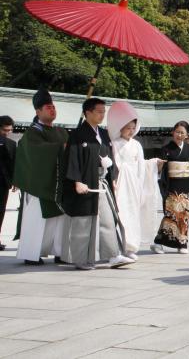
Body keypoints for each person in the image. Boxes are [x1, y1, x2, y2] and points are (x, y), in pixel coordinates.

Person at [59, 98, 134, 270]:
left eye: (103, 111)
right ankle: (81, 259)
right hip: (86, 182)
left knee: (107, 219)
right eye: (99, 111)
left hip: (102, 182)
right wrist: (77, 181)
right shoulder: (77, 135)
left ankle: (113, 255)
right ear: (88, 112)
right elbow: (72, 160)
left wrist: (113, 176)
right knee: (84, 221)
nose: (102, 114)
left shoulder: (104, 134)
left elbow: (111, 157)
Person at [14, 89, 67, 266]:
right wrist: (61, 147)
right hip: (38, 185)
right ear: (38, 111)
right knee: (36, 220)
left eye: (53, 106)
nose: (52, 110)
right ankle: (31, 253)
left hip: (59, 184)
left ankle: (61, 252)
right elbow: (36, 153)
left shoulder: (61, 131)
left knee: (61, 220)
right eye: (48, 107)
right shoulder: (32, 133)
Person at [108, 101, 163, 258]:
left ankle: (131, 247)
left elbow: (141, 165)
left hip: (134, 184)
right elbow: (115, 163)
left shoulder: (137, 145)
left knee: (133, 214)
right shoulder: (115, 143)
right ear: (120, 127)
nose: (131, 131)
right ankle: (119, 247)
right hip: (121, 182)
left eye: (133, 128)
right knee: (121, 214)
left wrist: (153, 164)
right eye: (128, 128)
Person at [151, 121, 189, 254]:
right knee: (170, 215)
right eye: (177, 132)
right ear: (173, 132)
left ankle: (182, 243)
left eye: (182, 133)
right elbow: (160, 169)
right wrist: (159, 165)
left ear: (187, 135)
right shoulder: (166, 149)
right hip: (171, 187)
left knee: (184, 216)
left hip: (186, 187)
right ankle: (159, 243)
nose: (179, 135)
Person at [0, 115, 16, 251]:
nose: (7, 133)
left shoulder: (11, 144)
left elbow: (14, 164)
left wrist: (15, 180)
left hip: (3, 183)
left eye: (9, 130)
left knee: (1, 212)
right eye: (5, 130)